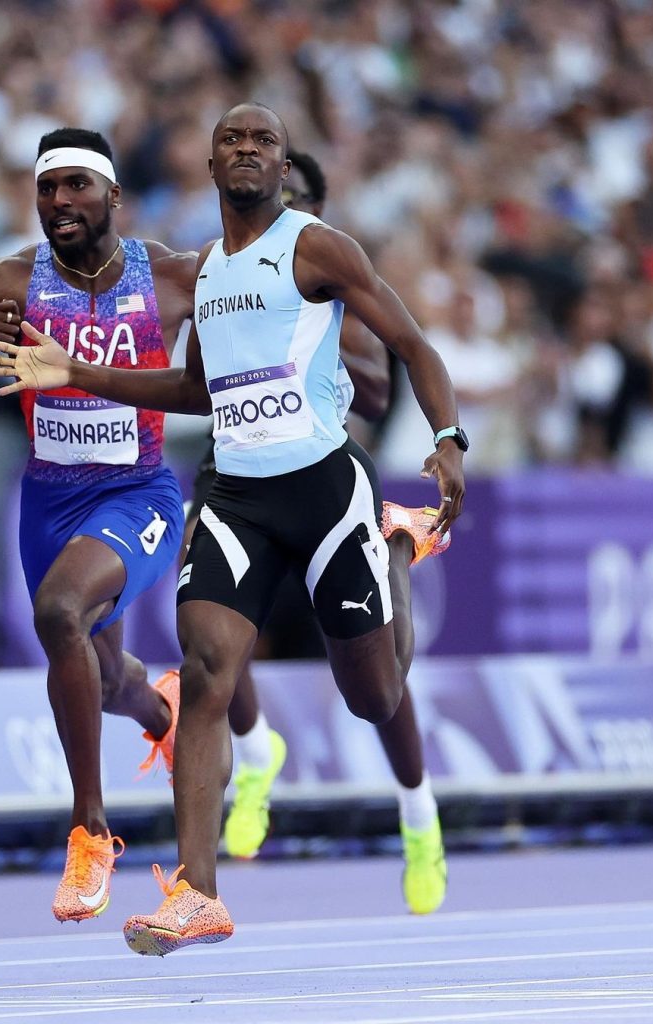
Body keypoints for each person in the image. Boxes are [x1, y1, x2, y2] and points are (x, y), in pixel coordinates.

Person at [0, 103, 467, 956]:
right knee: (204, 676)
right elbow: (194, 392)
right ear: (208, 168)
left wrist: (448, 439)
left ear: (282, 167)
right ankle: (197, 892)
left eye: (263, 140)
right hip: (235, 494)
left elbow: (412, 343)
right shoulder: (203, 274)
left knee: (373, 696)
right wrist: (74, 370)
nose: (246, 149)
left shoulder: (316, 246)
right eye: (229, 140)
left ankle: (394, 548)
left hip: (322, 490)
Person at [0, 127, 199, 924]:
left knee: (57, 611)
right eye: (47, 189)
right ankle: (163, 711)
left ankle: (88, 831)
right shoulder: (4, 283)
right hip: (48, 504)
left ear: (114, 195)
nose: (59, 203)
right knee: (103, 674)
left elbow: (204, 387)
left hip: (139, 494)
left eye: (77, 186)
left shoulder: (174, 279)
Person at [186, 149, 451, 920]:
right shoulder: (220, 268)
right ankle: (256, 748)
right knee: (207, 636)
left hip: (324, 473)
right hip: (235, 472)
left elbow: (374, 384)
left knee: (375, 692)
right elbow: (196, 370)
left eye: (293, 198)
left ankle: (416, 812)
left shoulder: (323, 270)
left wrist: (321, 357)